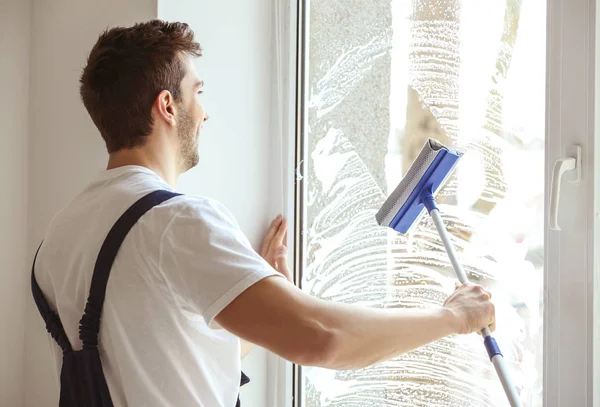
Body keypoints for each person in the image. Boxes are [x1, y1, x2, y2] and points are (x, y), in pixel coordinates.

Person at [31, 20, 496, 407]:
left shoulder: (60, 236)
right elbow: (323, 338)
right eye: (198, 91)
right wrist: (453, 316)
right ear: (167, 106)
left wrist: (254, 290)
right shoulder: (176, 222)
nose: (206, 112)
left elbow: (156, 358)